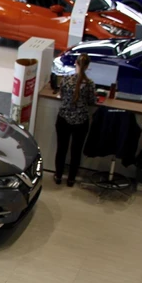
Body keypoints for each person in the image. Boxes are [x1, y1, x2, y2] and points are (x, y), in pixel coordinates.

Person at [54, 54, 96, 187]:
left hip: (63, 119)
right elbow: (92, 101)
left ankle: (58, 176)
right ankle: (71, 179)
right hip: (81, 121)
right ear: (87, 67)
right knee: (76, 152)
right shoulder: (90, 84)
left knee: (61, 149)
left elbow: (62, 96)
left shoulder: (66, 80)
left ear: (75, 64)